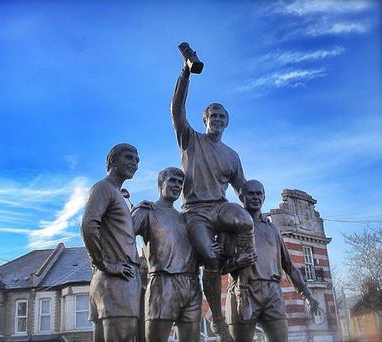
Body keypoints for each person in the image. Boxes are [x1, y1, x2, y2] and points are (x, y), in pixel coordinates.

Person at [171, 51, 255, 340]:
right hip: (195, 212)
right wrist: (185, 73)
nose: (217, 119)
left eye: (222, 116)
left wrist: (257, 209)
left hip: (220, 208)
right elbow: (176, 109)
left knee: (245, 222)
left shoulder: (232, 155)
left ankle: (241, 287)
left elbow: (242, 188)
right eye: (213, 115)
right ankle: (218, 321)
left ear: (226, 123)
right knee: (210, 257)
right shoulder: (190, 139)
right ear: (204, 119)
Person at [225, 180, 320, 342]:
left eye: (259, 193)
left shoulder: (273, 229)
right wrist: (237, 262)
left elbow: (289, 266)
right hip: (243, 291)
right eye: (251, 194)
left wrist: (307, 295)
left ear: (264, 197)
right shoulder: (231, 228)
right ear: (242, 197)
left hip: (272, 292)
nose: (255, 197)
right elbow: (217, 267)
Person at [132, 167, 203, 342]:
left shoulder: (186, 218)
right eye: (172, 180)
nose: (177, 185)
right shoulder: (147, 211)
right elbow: (122, 236)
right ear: (160, 184)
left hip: (191, 284)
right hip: (163, 283)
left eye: (180, 182)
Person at [81, 143, 141, 342]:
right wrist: (104, 263)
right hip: (116, 281)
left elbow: (115, 231)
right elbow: (88, 226)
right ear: (113, 161)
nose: (134, 163)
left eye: (137, 160)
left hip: (112, 281)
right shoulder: (103, 188)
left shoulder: (116, 193)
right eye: (129, 157)